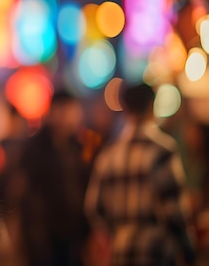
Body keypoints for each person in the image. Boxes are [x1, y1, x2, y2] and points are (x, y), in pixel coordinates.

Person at [84, 82, 196, 266]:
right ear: (152, 107)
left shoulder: (109, 154)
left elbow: (94, 208)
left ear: (126, 109)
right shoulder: (163, 151)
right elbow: (174, 211)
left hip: (120, 253)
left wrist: (119, 232)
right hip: (157, 253)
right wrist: (188, 251)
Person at [13, 89, 91, 266]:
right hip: (44, 236)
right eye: (61, 111)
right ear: (51, 112)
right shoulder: (34, 148)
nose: (66, 117)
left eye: (71, 111)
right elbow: (24, 195)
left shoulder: (80, 147)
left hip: (76, 236)